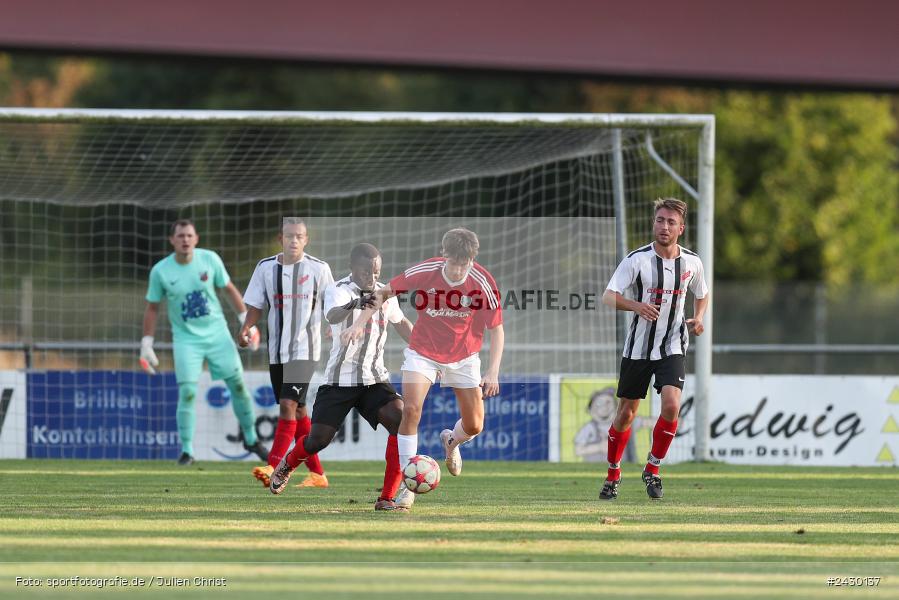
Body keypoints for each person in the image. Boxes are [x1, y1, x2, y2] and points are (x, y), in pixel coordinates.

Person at [341, 228, 504, 510]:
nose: (457, 271)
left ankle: (451, 442)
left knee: (475, 425)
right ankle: (408, 483)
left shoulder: (482, 281)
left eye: (463, 265)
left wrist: (492, 372)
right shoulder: (426, 270)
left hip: (464, 357)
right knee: (411, 410)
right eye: (453, 263)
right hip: (423, 353)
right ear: (445, 255)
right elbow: (383, 293)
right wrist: (358, 323)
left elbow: (497, 330)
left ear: (471, 260)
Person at [269, 243, 414, 510]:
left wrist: (423, 346)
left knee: (399, 418)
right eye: (365, 272)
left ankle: (387, 498)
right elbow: (333, 316)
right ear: (352, 269)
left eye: (376, 272)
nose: (371, 278)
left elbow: (401, 323)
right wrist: (359, 302)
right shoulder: (338, 289)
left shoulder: (385, 294)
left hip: (374, 380)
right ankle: (289, 463)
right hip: (339, 381)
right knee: (318, 440)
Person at [599, 197, 709, 500]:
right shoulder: (637, 260)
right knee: (626, 414)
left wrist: (698, 318)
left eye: (671, 222)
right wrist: (636, 305)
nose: (664, 226)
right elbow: (609, 296)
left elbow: (702, 293)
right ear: (654, 223)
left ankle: (653, 468)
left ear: (681, 228)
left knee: (672, 406)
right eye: (660, 220)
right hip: (638, 348)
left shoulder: (692, 262)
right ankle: (613, 474)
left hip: (673, 344)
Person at [140, 219, 269, 466]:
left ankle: (251, 439)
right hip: (186, 340)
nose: (185, 240)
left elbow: (229, 289)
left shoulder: (209, 259)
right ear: (172, 240)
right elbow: (153, 308)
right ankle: (187, 451)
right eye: (180, 236)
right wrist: (147, 342)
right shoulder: (160, 271)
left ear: (196, 238)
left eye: (189, 235)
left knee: (239, 386)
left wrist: (246, 321)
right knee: (187, 392)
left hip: (218, 335)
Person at [239, 218, 334, 489]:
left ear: (306, 240)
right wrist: (247, 326)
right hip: (276, 351)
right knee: (300, 410)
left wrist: (334, 326)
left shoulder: (319, 269)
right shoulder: (266, 268)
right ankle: (317, 475)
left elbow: (334, 304)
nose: (294, 240)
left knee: (287, 406)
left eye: (299, 236)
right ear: (280, 238)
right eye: (289, 235)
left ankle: (274, 464)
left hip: (306, 349)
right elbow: (257, 304)